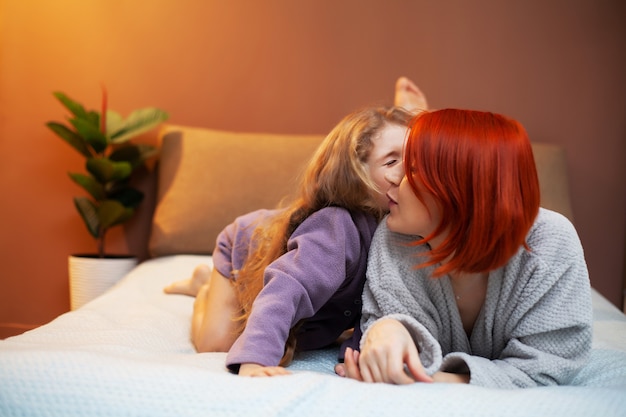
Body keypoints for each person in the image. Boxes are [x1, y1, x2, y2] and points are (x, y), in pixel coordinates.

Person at [165, 91, 425, 376]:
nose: (407, 171)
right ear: (356, 173)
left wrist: (359, 355)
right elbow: (286, 289)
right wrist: (256, 359)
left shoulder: (401, 225)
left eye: (412, 160)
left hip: (302, 275)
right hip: (245, 250)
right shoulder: (335, 229)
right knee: (217, 343)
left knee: (311, 336)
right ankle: (205, 288)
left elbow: (385, 299)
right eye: (391, 162)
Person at [342, 108, 593, 388]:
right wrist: (387, 329)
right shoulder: (394, 236)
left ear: (456, 188)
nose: (394, 179)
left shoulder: (550, 242)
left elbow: (545, 368)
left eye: (411, 169)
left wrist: (433, 379)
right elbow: (388, 319)